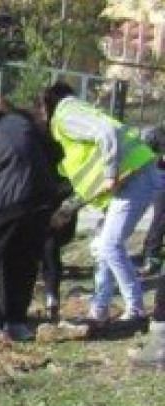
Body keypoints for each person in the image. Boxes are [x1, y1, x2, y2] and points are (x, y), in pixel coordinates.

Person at [39, 83, 158, 327]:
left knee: (109, 246)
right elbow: (90, 177)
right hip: (132, 178)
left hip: (132, 178)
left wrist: (110, 174)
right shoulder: (76, 114)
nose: (41, 117)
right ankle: (99, 309)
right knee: (101, 247)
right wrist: (70, 208)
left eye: (41, 110)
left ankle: (135, 309)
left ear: (47, 104)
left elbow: (106, 133)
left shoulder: (65, 116)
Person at [0, 99, 59, 341]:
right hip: (42, 200)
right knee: (22, 261)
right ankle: (16, 322)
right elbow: (55, 154)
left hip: (6, 200)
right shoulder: (24, 124)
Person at [138, 124, 164, 275]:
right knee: (160, 220)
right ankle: (151, 257)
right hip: (160, 181)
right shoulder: (155, 134)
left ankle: (151, 256)